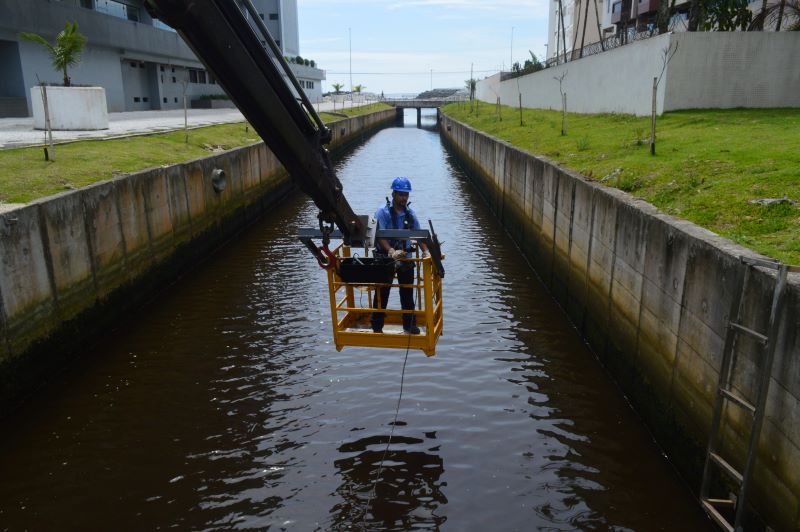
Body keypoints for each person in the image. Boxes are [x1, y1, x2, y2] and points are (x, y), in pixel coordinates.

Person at [371, 177, 431, 334]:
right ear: (393, 194)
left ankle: (409, 325)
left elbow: (419, 235)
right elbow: (379, 235)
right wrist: (391, 251)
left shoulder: (410, 214)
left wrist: (425, 251)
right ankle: (377, 326)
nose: (404, 198)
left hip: (405, 257)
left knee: (407, 291)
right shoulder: (382, 212)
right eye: (401, 194)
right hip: (385, 257)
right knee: (382, 291)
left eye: (406, 195)